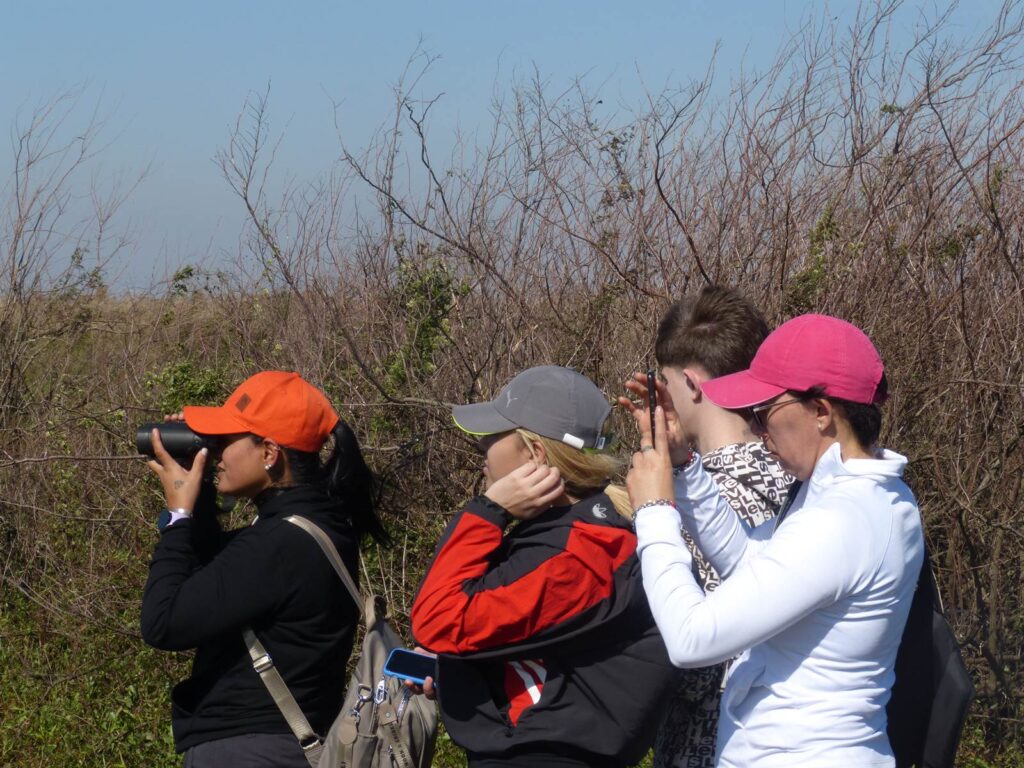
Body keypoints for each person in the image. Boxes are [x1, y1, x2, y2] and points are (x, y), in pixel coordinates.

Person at [626, 314, 924, 768]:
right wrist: (685, 467)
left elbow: (692, 639)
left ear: (821, 412)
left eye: (764, 413)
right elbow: (752, 564)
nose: (758, 431)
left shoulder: (842, 520)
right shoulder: (867, 497)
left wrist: (654, 512)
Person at [410, 365, 674, 768]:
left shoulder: (578, 556)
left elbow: (438, 619)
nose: (482, 450)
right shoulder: (571, 535)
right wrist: (455, 665)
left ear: (535, 455)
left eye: (495, 437)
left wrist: (488, 510)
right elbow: (528, 639)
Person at [140, 370, 389, 767]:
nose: (216, 452)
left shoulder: (280, 545)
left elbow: (163, 622)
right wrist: (198, 488)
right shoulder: (315, 528)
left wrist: (179, 514)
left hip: (250, 752)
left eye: (225, 442)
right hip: (277, 748)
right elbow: (210, 566)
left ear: (270, 453)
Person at [618, 285, 792, 768]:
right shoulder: (801, 474)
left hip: (715, 743)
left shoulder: (696, 495)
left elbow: (697, 661)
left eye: (668, 384)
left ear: (692, 386)